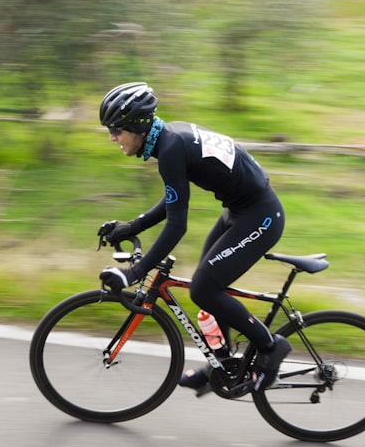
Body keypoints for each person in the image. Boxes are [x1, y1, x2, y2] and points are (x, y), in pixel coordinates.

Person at [96, 81, 291, 393]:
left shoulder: (171, 148)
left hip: (261, 216)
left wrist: (134, 272)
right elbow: (174, 200)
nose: (112, 137)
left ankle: (271, 347)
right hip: (240, 212)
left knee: (204, 288)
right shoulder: (170, 140)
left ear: (136, 126)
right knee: (209, 286)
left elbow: (177, 225)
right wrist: (131, 227)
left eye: (116, 130)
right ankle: (224, 365)